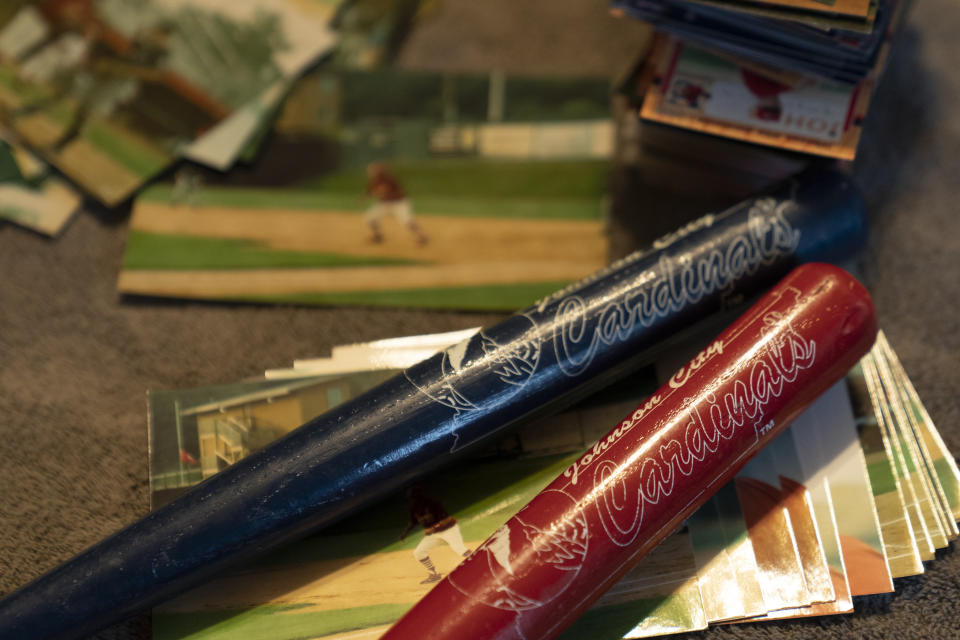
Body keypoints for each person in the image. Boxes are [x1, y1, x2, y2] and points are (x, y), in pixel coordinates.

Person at [400, 485, 470, 584]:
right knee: (418, 552)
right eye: (411, 499)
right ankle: (434, 574)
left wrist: (433, 528)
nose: (412, 500)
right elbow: (413, 522)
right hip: (434, 534)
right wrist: (405, 533)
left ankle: (480, 563)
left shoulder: (433, 503)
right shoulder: (414, 507)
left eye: (413, 498)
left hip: (449, 530)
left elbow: (448, 520)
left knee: (459, 549)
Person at [364, 162, 428, 245]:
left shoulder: (388, 179)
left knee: (406, 220)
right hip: (385, 204)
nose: (370, 172)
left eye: (373, 170)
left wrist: (376, 193)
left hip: (399, 203)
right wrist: (364, 197)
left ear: (379, 171)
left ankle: (421, 236)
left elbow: (384, 191)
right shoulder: (375, 180)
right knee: (370, 218)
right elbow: (370, 190)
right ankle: (378, 236)